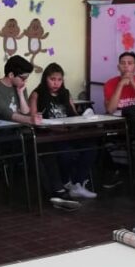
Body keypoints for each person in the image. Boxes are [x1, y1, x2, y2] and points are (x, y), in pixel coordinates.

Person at [0, 56, 79, 211]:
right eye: (23, 77)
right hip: (3, 136)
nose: (25, 81)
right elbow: (9, 115)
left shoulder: (20, 87)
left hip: (23, 134)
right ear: (11, 75)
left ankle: (57, 192)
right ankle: (54, 193)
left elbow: (25, 111)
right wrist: (31, 120)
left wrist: (20, 92)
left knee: (44, 145)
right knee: (36, 147)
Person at [29, 62, 97, 199]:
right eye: (52, 79)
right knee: (66, 153)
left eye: (59, 80)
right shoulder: (37, 94)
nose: (56, 83)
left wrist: (83, 119)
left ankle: (77, 183)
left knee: (91, 148)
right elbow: (33, 118)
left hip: (69, 132)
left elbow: (74, 114)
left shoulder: (65, 93)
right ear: (45, 79)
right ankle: (66, 182)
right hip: (50, 135)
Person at [103, 51, 135, 117]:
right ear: (118, 67)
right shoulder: (109, 83)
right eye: (122, 63)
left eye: (130, 63)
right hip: (117, 120)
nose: (126, 66)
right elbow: (110, 110)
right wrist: (120, 85)